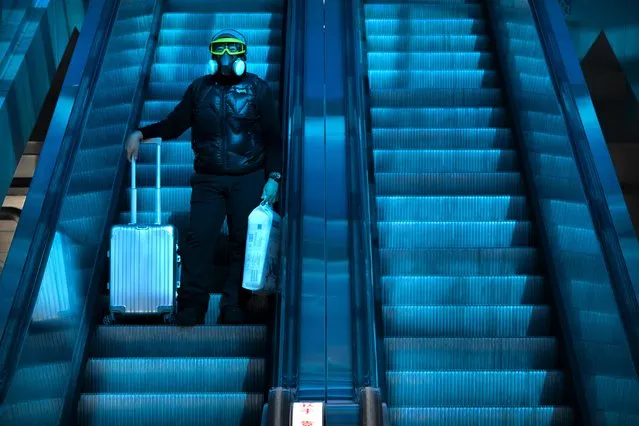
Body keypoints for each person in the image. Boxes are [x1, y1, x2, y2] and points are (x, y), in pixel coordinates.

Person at [125, 29, 283, 326]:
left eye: (232, 50)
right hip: (208, 179)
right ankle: (192, 306)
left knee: (242, 242)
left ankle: (234, 305)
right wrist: (141, 133)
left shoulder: (258, 89)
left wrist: (273, 177)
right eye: (219, 50)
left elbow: (274, 139)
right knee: (198, 240)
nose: (226, 57)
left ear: (243, 55)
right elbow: (174, 125)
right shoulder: (199, 89)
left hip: (248, 176)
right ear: (212, 55)